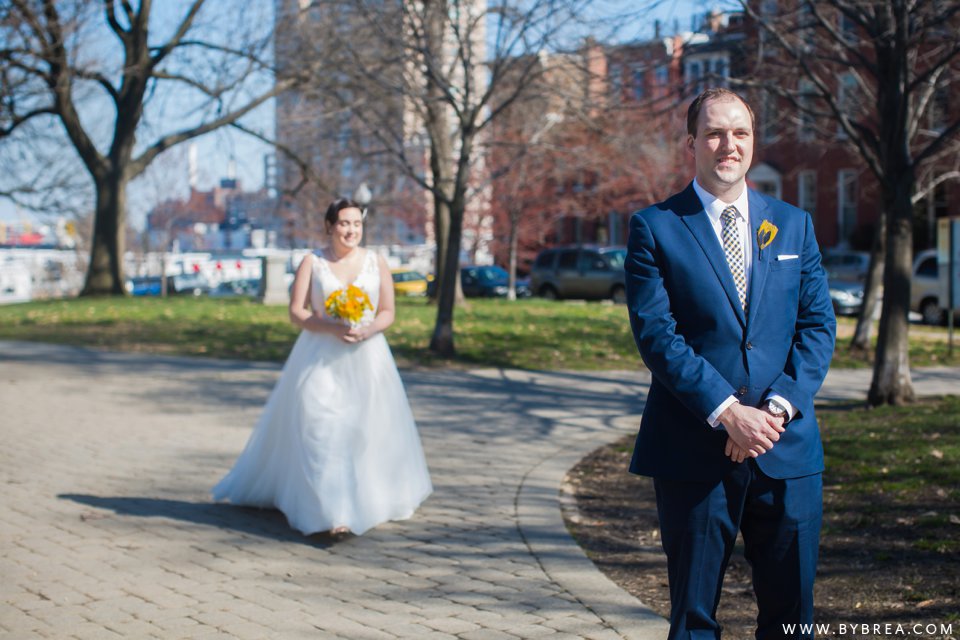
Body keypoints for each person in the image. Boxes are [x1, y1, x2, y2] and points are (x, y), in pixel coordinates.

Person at [624, 88, 836, 639]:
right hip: (694, 450)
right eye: (715, 133)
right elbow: (657, 335)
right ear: (693, 143)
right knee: (693, 620)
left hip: (786, 449)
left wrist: (774, 411)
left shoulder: (793, 225)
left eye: (740, 133)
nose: (729, 145)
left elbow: (817, 328)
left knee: (792, 621)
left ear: (752, 141)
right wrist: (726, 411)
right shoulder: (655, 227)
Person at [213, 198, 432, 536]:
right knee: (322, 426)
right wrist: (333, 327)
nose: (351, 230)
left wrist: (367, 329)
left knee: (362, 431)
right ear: (330, 226)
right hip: (319, 358)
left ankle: (360, 500)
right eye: (345, 223)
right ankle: (333, 514)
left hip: (368, 357)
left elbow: (387, 311)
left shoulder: (377, 262)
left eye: (357, 224)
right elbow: (296, 312)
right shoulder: (312, 262)